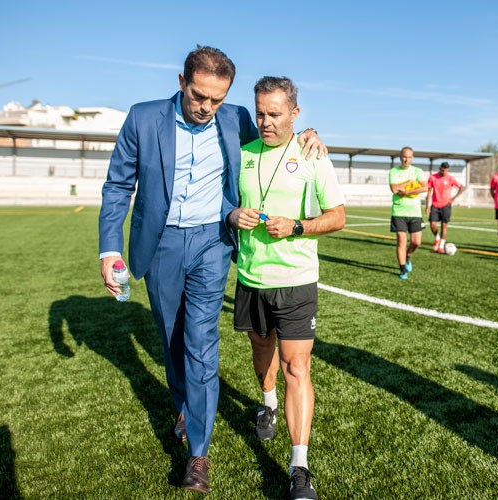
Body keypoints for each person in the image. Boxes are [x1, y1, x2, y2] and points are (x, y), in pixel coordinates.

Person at [98, 47, 325, 494]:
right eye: (200, 96)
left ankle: (197, 454)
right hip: (160, 243)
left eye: (216, 100)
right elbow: (118, 184)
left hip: (212, 243)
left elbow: (274, 134)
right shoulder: (143, 119)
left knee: (202, 340)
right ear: (182, 80)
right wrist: (109, 249)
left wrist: (308, 134)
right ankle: (183, 404)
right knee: (172, 335)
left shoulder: (235, 117)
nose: (206, 108)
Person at [229, 76, 345, 500]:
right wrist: (233, 215)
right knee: (263, 353)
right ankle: (268, 401)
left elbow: (337, 216)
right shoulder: (240, 153)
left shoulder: (312, 154)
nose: (265, 121)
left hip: (296, 281)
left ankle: (299, 467)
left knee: (297, 366)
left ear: (295, 114)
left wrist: (296, 226)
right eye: (260, 112)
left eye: (275, 114)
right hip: (250, 279)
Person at [389, 147, 426, 279]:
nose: (406, 159)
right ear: (400, 157)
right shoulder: (394, 171)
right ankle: (403, 268)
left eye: (409, 157)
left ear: (412, 158)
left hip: (415, 213)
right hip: (399, 211)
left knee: (416, 242)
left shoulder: (418, 171)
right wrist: (409, 182)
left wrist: (406, 192)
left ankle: (408, 255)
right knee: (401, 241)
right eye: (404, 156)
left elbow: (425, 187)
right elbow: (394, 189)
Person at [425, 162, 466, 254]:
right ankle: (437, 238)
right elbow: (429, 192)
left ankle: (441, 246)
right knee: (432, 225)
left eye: (446, 171)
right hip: (435, 205)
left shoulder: (450, 178)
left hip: (446, 205)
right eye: (442, 170)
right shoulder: (432, 177)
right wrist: (427, 206)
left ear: (448, 170)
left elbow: (462, 187)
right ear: (440, 168)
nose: (444, 172)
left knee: (444, 226)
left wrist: (454, 198)